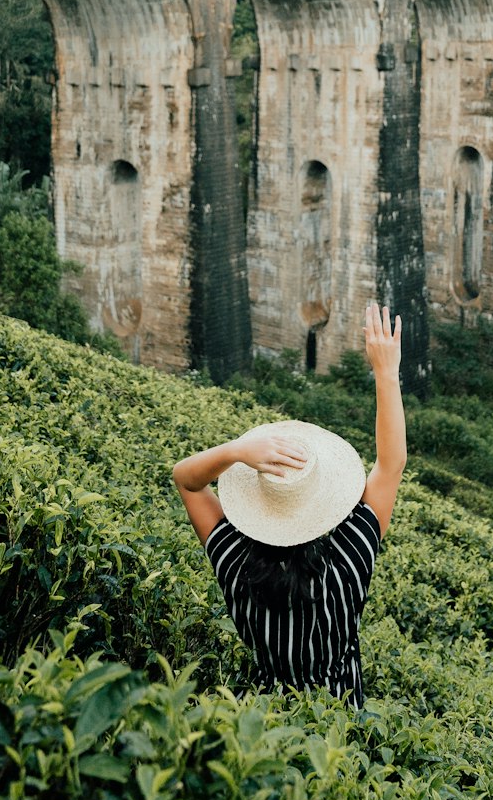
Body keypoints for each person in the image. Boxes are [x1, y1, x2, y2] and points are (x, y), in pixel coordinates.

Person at [172, 302, 406, 709]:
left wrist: (236, 451)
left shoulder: (234, 565)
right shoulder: (346, 567)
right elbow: (391, 464)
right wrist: (386, 372)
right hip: (338, 728)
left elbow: (186, 480)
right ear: (322, 502)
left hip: (261, 726)